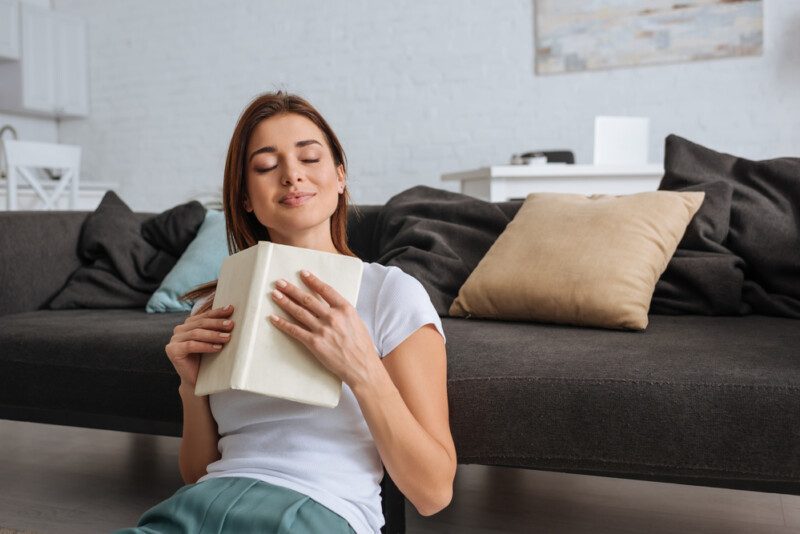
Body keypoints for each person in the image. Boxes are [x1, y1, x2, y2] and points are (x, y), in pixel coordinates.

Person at [114, 91, 456, 534]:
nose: (292, 175)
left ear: (339, 177)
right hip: (197, 507)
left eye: (310, 158)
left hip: (318, 511)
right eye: (265, 166)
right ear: (245, 199)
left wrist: (362, 369)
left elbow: (433, 493)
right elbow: (197, 474)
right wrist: (191, 386)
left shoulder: (391, 294)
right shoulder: (216, 305)